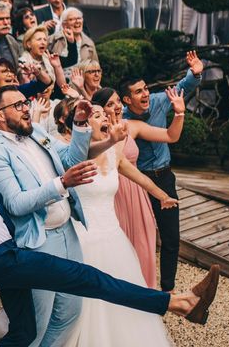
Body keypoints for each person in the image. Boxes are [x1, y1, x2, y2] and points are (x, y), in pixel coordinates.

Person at [0, 123, 220, 347]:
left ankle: (181, 304)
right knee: (86, 278)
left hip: (9, 247)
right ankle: (177, 303)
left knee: (25, 331)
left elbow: (0, 193)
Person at [0, 86, 116, 346]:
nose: (25, 109)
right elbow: (16, 203)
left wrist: (80, 124)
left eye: (25, 103)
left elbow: (69, 159)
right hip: (39, 240)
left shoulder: (36, 131)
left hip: (68, 231)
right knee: (38, 322)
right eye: (17, 105)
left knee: (71, 311)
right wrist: (62, 183)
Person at [65, 105, 179, 347]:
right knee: (88, 296)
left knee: (124, 290)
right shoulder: (73, 154)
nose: (104, 118)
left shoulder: (115, 155)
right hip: (84, 239)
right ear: (82, 125)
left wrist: (162, 196)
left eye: (104, 115)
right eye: (97, 116)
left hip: (114, 236)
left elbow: (141, 179)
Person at [120, 51, 203, 292]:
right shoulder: (123, 120)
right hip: (139, 182)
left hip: (165, 177)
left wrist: (195, 73)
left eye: (145, 89)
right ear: (127, 100)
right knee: (139, 235)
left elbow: (182, 87)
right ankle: (136, 284)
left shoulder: (158, 100)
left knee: (170, 237)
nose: (145, 94)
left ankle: (167, 289)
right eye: (138, 91)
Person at [92, 87, 186, 288]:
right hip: (112, 195)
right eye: (110, 104)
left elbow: (171, 136)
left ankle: (148, 298)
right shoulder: (95, 135)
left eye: (117, 101)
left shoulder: (132, 126)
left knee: (144, 247)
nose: (116, 106)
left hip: (137, 193)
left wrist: (179, 113)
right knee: (119, 251)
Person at [0, 58, 50, 137]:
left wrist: (36, 71)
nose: (10, 74)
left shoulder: (17, 92)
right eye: (4, 71)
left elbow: (45, 82)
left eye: (11, 71)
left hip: (12, 142)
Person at [48, 8, 98, 75]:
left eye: (79, 18)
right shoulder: (54, 39)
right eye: (72, 19)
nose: (77, 21)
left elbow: (95, 69)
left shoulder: (89, 43)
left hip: (81, 83)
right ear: (64, 25)